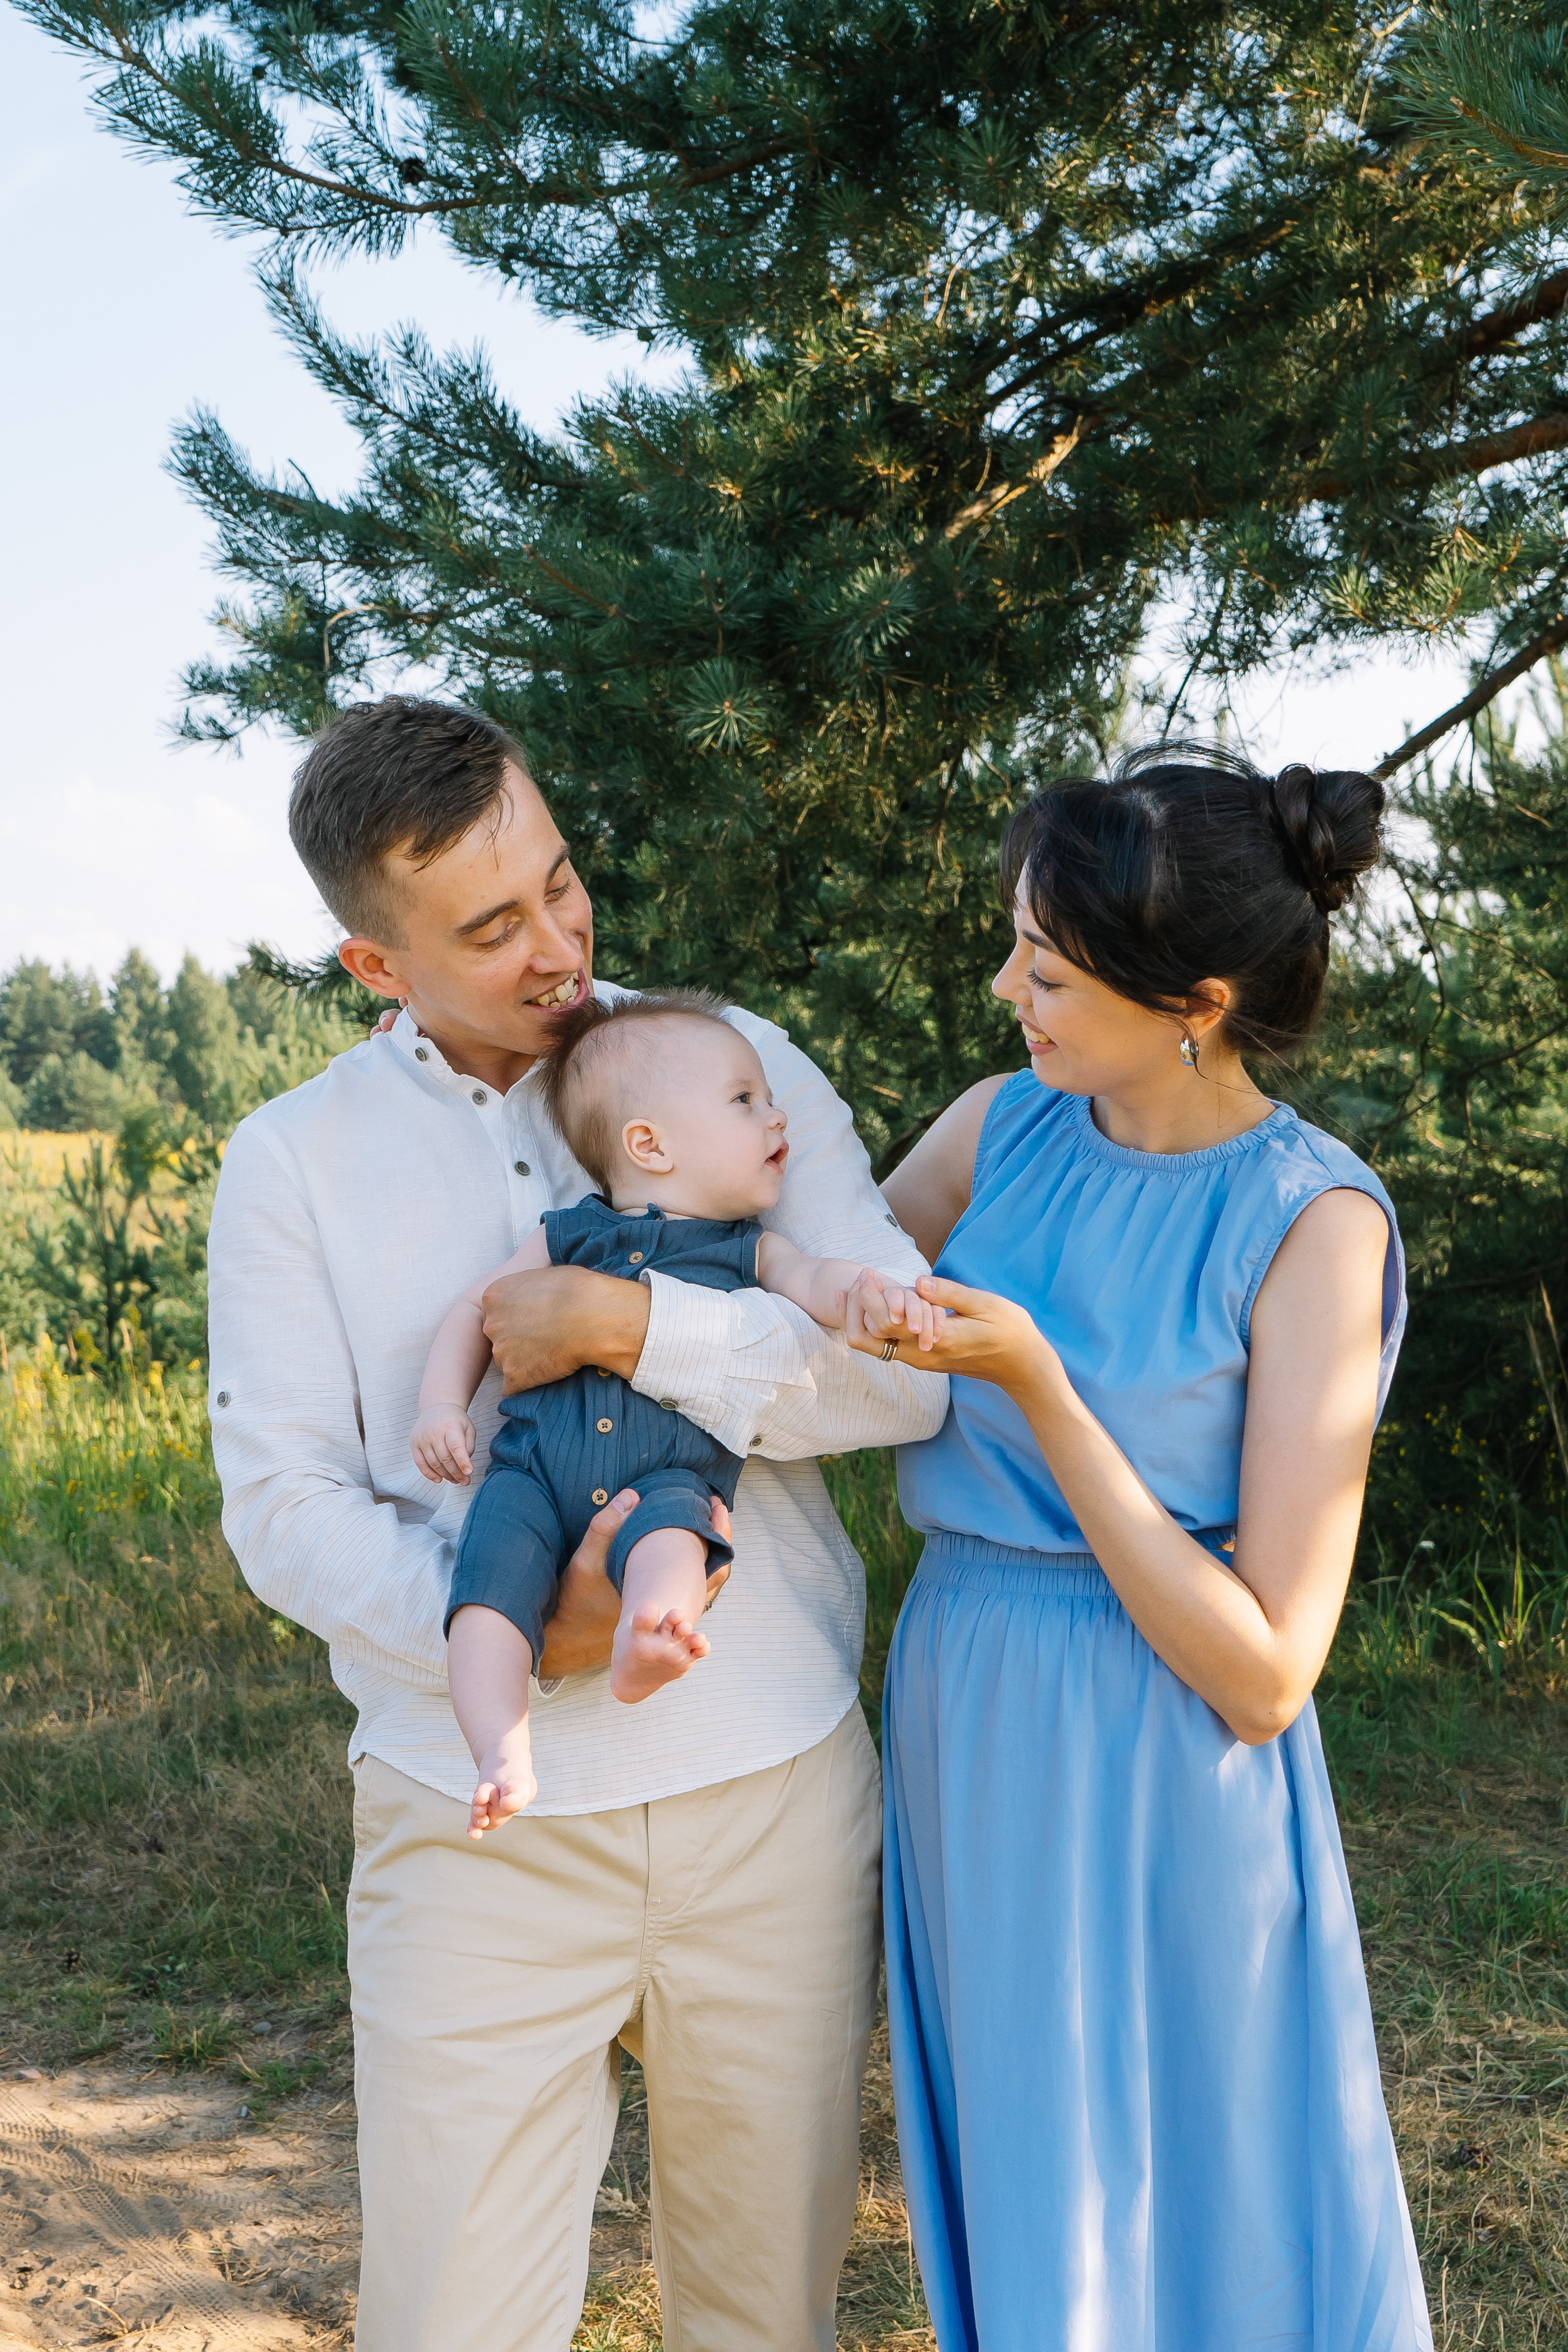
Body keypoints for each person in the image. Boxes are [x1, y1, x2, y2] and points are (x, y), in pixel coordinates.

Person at [205, 695, 948, 2352]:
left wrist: (630, 1327)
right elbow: (284, 1506)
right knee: (449, 2324)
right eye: (490, 929)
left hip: (773, 1792)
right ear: (376, 964)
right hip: (470, 1829)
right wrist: (521, 1628)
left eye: (559, 884)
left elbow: (903, 1387)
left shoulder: (730, 1062)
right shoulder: (293, 1162)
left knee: (766, 2318)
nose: (558, 947)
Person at [852, 747, 1434, 2351]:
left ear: (1196, 1001)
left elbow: (1265, 1675)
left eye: (1045, 970)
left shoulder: (1315, 1223)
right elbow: (819, 1288)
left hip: (1163, 1741)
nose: (1006, 992)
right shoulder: (1001, 1128)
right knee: (1030, 2174)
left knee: (1200, 2181)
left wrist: (1039, 1387)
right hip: (968, 1701)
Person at [411, 987, 935, 1831]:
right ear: (648, 1145)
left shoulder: (749, 1247)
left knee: (677, 1538)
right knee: (486, 1594)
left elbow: (815, 1282)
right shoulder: (566, 1233)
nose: (776, 1119)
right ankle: (501, 1750)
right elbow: (480, 1307)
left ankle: (650, 1635)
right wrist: (441, 1406)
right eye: (744, 1100)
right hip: (528, 1474)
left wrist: (867, 1297)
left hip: (669, 1476)